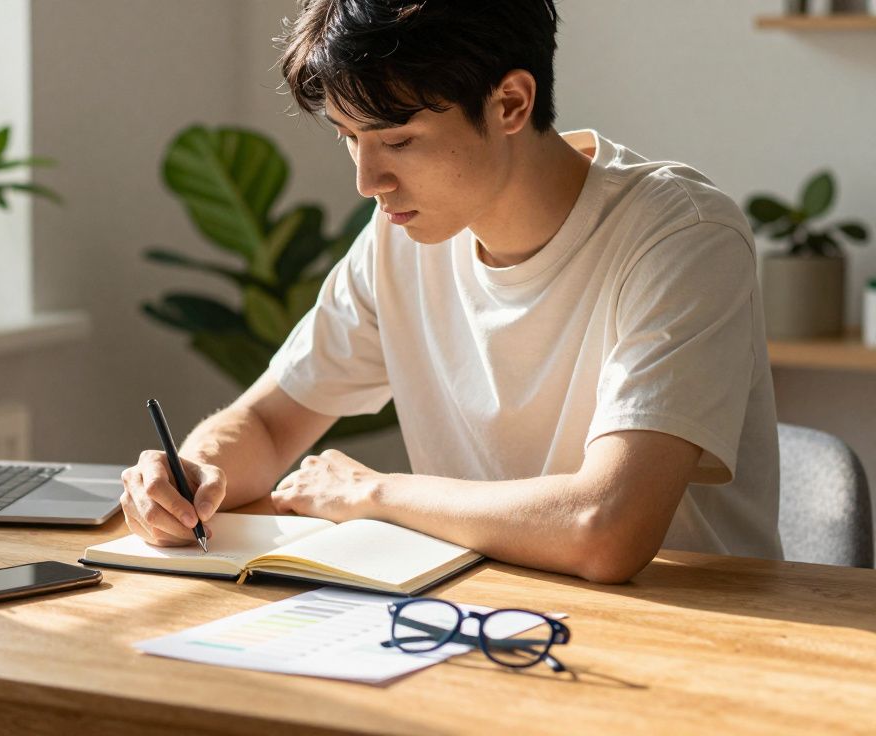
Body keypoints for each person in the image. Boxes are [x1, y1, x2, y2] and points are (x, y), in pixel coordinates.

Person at [119, 0, 782, 584]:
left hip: (690, 638)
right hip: (477, 615)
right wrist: (193, 474)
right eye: (349, 138)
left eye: (398, 140)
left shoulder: (682, 235)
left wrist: (375, 493)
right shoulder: (397, 238)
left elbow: (606, 528)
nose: (368, 181)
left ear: (511, 104)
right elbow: (266, 423)